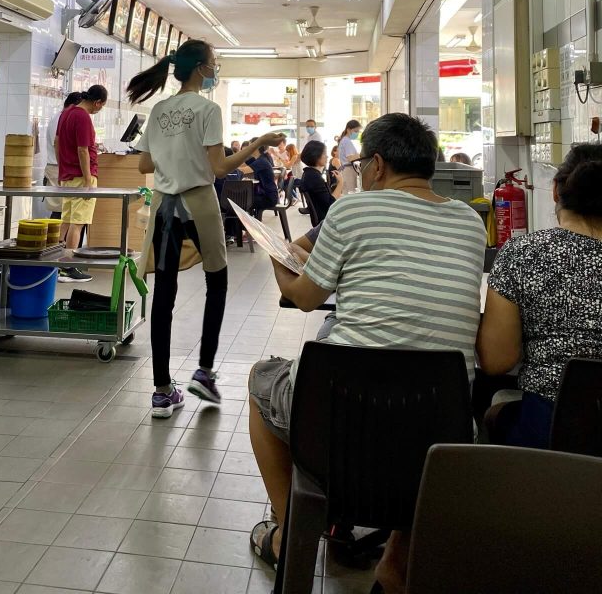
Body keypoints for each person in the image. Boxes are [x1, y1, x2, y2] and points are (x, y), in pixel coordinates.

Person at [247, 113, 486, 592]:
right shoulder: (470, 221)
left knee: (261, 381)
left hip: (341, 414)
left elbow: (305, 298)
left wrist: (277, 259)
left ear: (376, 165)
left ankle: (289, 533)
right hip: (442, 421)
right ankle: (396, 561)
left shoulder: (354, 209)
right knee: (412, 409)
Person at [127, 39, 284, 418]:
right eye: (213, 63)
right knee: (217, 283)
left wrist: (173, 156)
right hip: (199, 204)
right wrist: (259, 142)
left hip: (164, 207)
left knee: (164, 295)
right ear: (200, 67)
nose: (215, 69)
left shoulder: (159, 109)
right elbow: (220, 168)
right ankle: (204, 373)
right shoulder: (208, 109)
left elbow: (144, 165)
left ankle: (161, 391)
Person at [477, 143, 602, 450]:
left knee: (494, 412)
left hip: (548, 433)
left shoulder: (523, 254)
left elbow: (497, 361)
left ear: (556, 191)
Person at [55, 85, 107, 250]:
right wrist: (87, 180)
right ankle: (69, 261)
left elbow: (57, 142)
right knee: (77, 223)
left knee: (66, 220)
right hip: (81, 177)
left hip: (68, 177)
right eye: (102, 106)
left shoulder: (66, 113)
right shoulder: (83, 116)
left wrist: (61, 170)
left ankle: (55, 259)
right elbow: (82, 150)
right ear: (97, 102)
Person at [45, 92, 81, 212]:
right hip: (57, 168)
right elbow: (58, 145)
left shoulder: (64, 117)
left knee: (64, 210)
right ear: (72, 106)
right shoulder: (59, 119)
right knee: (59, 210)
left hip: (61, 168)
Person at [299, 140, 342, 223]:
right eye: (324, 153)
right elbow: (331, 203)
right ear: (316, 156)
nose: (327, 156)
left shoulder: (309, 173)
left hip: (323, 217)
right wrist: (340, 183)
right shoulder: (314, 177)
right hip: (326, 221)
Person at [240, 141, 279, 215]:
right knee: (241, 199)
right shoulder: (255, 159)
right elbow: (240, 165)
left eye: (250, 146)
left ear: (257, 147)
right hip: (262, 194)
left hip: (268, 197)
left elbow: (243, 171)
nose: (249, 148)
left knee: (241, 201)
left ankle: (243, 221)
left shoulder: (262, 161)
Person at [337, 119, 361, 194]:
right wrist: (361, 155)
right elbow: (350, 158)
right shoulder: (346, 141)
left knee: (347, 192)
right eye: (355, 131)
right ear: (348, 130)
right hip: (348, 170)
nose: (357, 133)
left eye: (358, 131)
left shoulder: (345, 140)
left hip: (347, 170)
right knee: (350, 192)